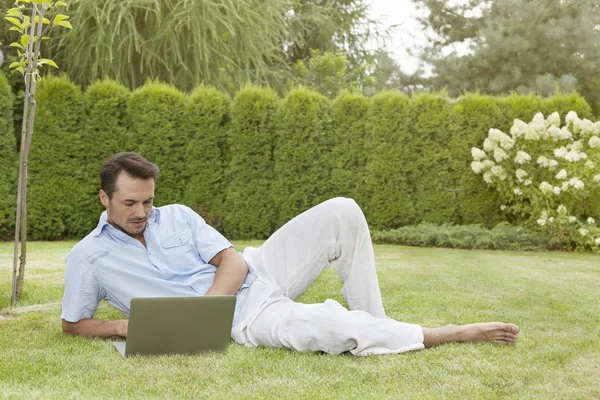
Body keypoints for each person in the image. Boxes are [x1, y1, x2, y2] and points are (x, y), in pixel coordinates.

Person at [61, 152, 520, 355]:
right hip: (247, 320)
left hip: (255, 273)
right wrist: (125, 325)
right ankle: (449, 334)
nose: (142, 211)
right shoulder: (88, 257)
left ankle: (380, 321)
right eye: (130, 204)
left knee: (342, 210)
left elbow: (233, 262)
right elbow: (73, 323)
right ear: (104, 198)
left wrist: (208, 310)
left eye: (148, 201)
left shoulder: (177, 215)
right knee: (329, 326)